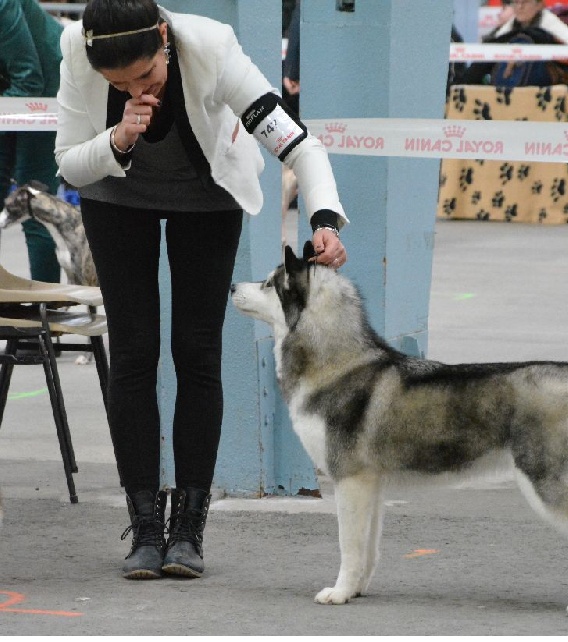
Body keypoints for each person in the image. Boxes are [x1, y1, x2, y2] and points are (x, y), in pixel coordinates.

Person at [55, 0, 348, 580]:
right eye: (118, 82)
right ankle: (143, 528)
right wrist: (116, 138)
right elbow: (68, 165)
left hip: (207, 199)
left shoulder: (213, 49)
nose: (137, 88)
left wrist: (324, 220)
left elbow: (300, 147)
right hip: (116, 198)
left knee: (197, 351)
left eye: (145, 74)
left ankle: (189, 529)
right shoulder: (75, 50)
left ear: (164, 37)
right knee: (134, 353)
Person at [0, 0, 62, 283]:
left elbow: (29, 81)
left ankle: (47, 310)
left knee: (32, 198)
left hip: (46, 83)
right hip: (9, 85)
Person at [462, 0, 568, 88]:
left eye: (525, 2)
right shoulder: (506, 30)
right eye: (516, 2)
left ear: (539, 5)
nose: (519, 7)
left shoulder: (553, 25)